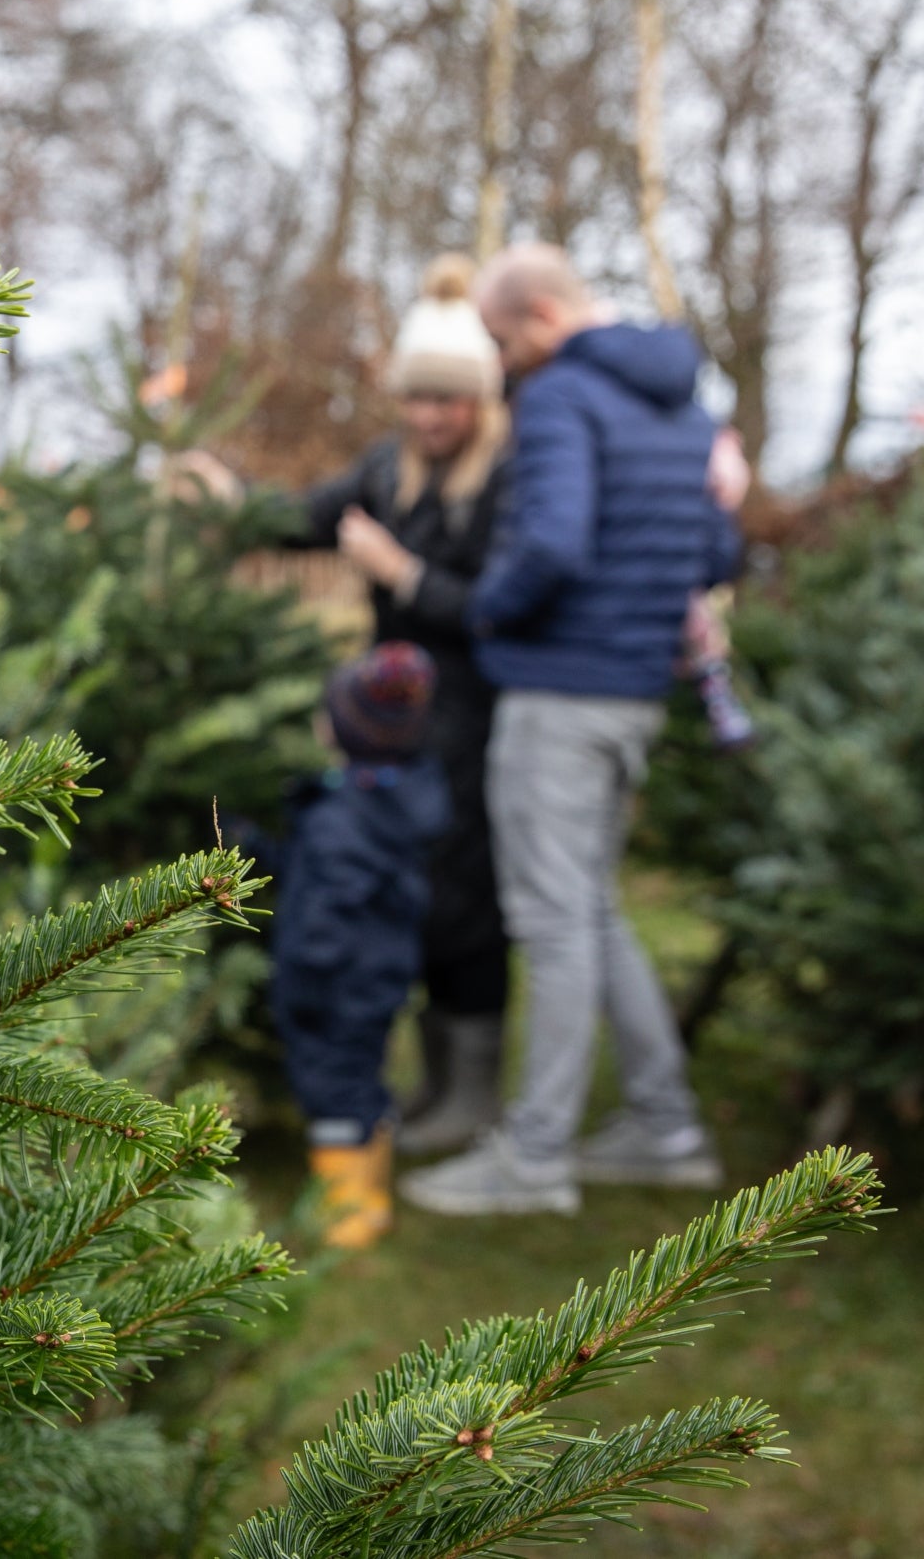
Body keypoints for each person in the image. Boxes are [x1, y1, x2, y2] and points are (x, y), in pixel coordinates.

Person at [399, 243, 741, 1218]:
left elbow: (551, 541)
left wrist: (488, 612)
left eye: (504, 340)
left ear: (541, 317)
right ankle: (664, 1129)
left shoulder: (559, 398)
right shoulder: (685, 403)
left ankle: (534, 1156)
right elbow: (719, 543)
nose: (504, 362)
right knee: (589, 908)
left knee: (551, 924)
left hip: (558, 691)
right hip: (636, 692)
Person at [273, 253, 514, 1157]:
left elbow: (496, 608)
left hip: (478, 714)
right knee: (412, 891)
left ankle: (471, 1092)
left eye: (447, 400)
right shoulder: (386, 468)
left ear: (480, 401)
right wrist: (224, 503)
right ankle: (431, 1083)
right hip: (397, 720)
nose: (429, 416)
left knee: (469, 899)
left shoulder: (504, 478)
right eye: (416, 399)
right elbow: (305, 515)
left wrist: (400, 574)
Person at [268, 642, 446, 1248]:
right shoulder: (403, 793)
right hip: (381, 973)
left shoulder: (339, 819)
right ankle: (372, 1196)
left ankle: (346, 1219)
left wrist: (307, 983)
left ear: (341, 728)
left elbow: (325, 907)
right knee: (365, 1078)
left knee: (333, 1093)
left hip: (333, 986)